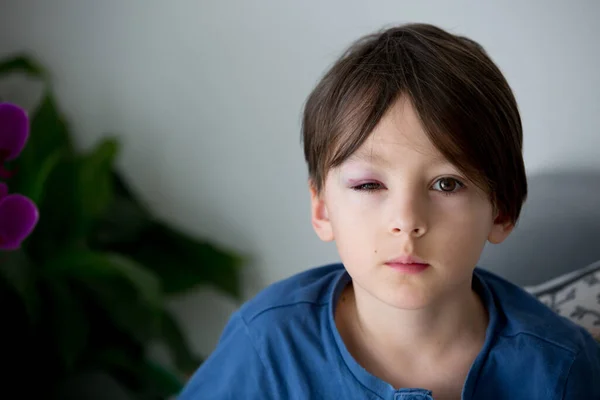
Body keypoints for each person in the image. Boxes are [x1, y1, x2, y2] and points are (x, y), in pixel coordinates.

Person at [179, 23, 600, 399]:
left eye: (446, 184)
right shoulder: (267, 345)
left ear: (502, 211)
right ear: (323, 209)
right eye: (369, 185)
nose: (407, 221)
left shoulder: (559, 368)